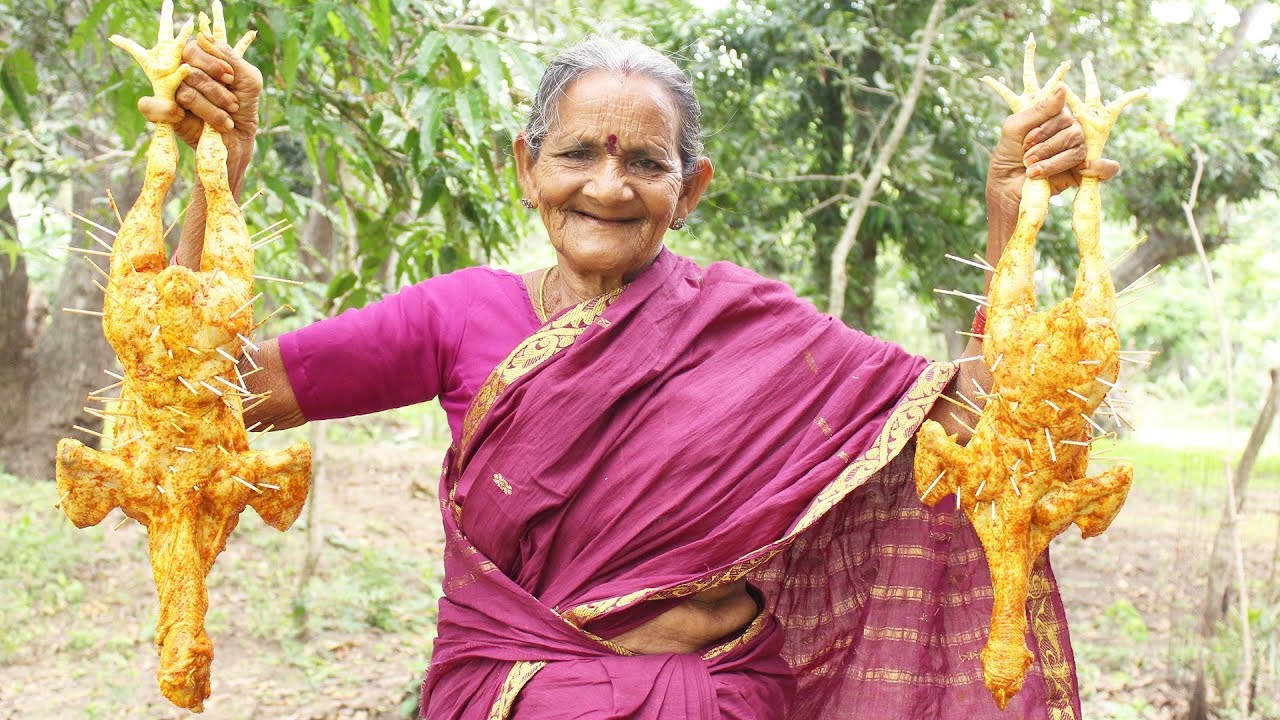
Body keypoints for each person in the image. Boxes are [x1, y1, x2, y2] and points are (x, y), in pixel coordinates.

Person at [151, 32, 1117, 720]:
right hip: (515, 699)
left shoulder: (761, 327)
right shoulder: (453, 316)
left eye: (645, 162)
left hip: (724, 701)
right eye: (576, 153)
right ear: (527, 167)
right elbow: (204, 387)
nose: (607, 187)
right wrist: (215, 180)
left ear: (687, 190)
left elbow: (992, 415)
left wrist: (1008, 217)